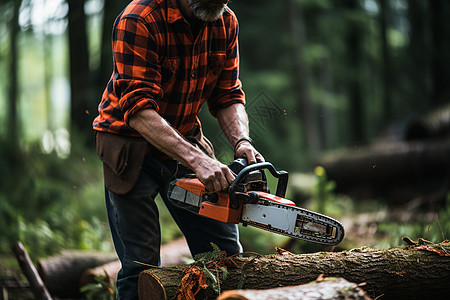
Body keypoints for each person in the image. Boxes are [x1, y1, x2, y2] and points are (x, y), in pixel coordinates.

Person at [93, 0, 264, 298]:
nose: (218, 4)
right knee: (141, 267)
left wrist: (242, 141)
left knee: (224, 255)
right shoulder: (140, 18)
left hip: (184, 137)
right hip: (128, 145)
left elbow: (227, 95)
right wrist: (198, 159)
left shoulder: (226, 23)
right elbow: (138, 110)